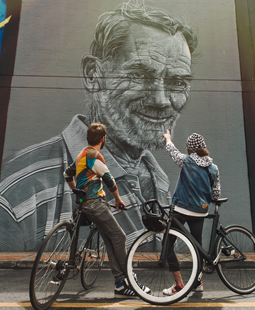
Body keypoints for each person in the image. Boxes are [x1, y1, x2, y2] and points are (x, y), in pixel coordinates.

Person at [0, 2, 198, 251]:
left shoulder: (158, 178)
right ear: (94, 75)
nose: (160, 100)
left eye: (177, 81)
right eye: (137, 75)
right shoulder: (19, 196)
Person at [64, 122, 150, 298]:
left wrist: (76, 191)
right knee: (120, 237)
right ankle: (131, 280)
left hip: (85, 205)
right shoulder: (95, 156)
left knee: (111, 241)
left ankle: (120, 284)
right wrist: (118, 200)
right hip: (96, 204)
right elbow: (110, 181)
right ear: (103, 139)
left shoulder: (81, 154)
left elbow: (67, 174)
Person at [162, 130, 221, 295]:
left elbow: (172, 151)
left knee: (167, 244)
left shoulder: (186, 161)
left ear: (189, 149)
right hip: (200, 212)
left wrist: (168, 138)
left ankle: (179, 285)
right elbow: (216, 194)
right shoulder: (213, 168)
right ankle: (197, 282)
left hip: (181, 209)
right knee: (197, 247)